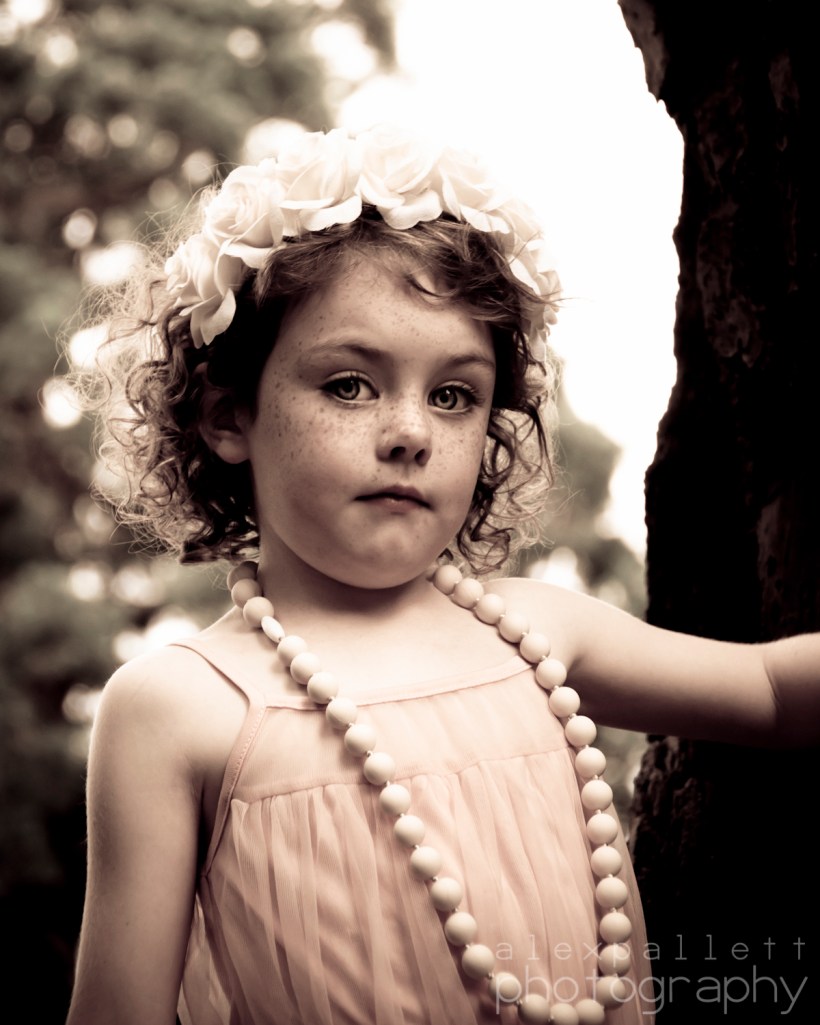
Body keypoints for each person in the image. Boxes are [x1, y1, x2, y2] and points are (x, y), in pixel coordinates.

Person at [64, 124, 820, 1025]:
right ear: (229, 415)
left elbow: (773, 693)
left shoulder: (535, 634)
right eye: (350, 384)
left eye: (453, 394)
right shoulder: (179, 706)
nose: (411, 430)